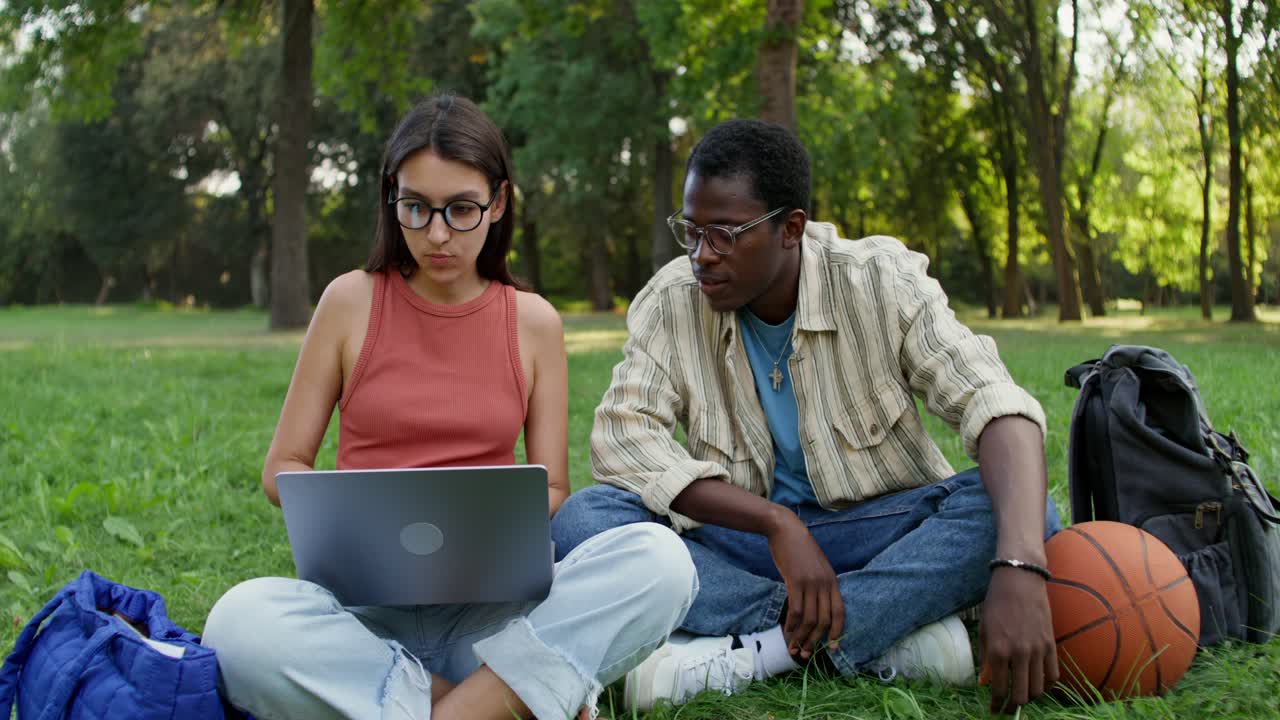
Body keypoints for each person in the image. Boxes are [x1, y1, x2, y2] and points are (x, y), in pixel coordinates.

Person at [202, 95, 697, 720]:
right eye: (415, 207)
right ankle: (493, 703)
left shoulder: (534, 322)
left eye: (461, 209)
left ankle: (441, 703)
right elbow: (283, 467)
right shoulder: (349, 302)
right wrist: (360, 511)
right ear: (392, 200)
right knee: (237, 625)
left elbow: (551, 490)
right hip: (363, 621)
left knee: (661, 561)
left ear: (498, 203)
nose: (436, 234)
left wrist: (477, 521)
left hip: (493, 621)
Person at [551, 118, 1062, 714]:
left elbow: (996, 404)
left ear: (791, 228)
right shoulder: (671, 300)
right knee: (586, 519)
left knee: (1019, 508)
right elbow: (624, 438)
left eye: (723, 234)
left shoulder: (879, 280)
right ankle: (876, 633)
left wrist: (1019, 565)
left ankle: (753, 650)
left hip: (879, 535)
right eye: (690, 231)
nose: (700, 256)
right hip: (743, 546)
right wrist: (775, 523)